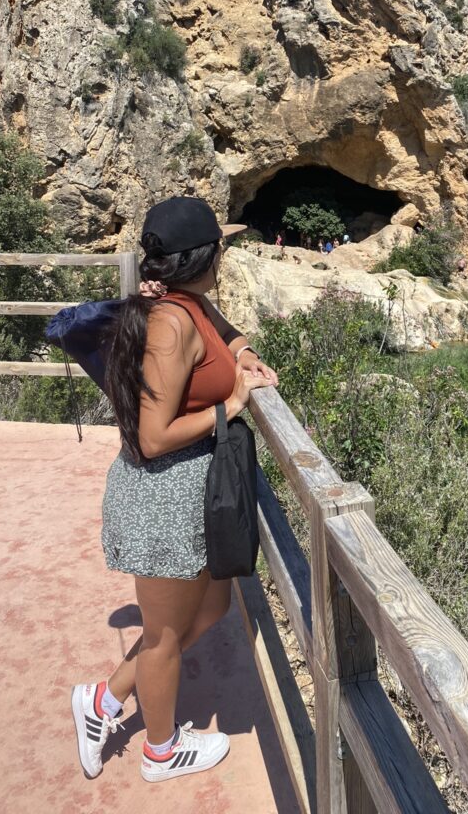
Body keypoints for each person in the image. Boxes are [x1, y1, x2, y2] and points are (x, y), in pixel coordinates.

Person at [71, 197, 278, 784]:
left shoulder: (191, 303)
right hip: (159, 499)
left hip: (189, 493)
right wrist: (230, 405)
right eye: (220, 249)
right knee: (163, 637)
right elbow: (153, 436)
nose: (224, 257)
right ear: (201, 259)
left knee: (211, 607)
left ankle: (103, 700)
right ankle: (159, 752)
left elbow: (226, 334)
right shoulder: (169, 324)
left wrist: (246, 356)